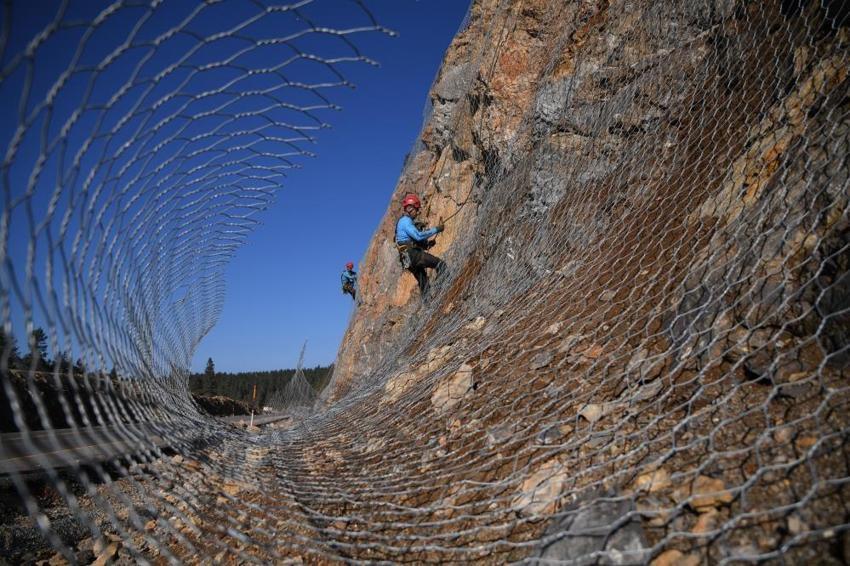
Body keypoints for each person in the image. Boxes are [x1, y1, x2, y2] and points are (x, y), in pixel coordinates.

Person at [395, 194, 446, 298]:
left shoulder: (402, 223)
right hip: (412, 254)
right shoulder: (405, 221)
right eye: (416, 209)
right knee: (440, 264)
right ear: (410, 208)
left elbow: (411, 241)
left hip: (406, 258)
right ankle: (445, 290)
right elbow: (418, 236)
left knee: (424, 284)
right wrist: (437, 229)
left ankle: (429, 306)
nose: (417, 212)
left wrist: (427, 244)